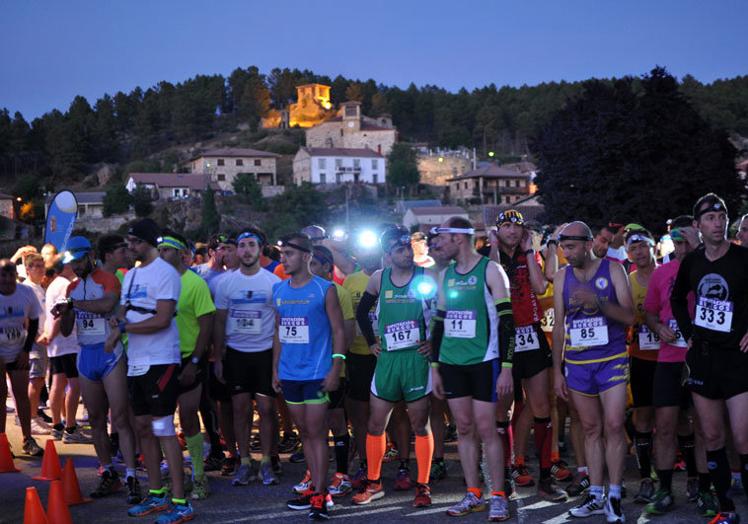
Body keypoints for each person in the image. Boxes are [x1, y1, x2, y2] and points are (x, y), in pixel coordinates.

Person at [429, 217, 515, 522]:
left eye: (443, 238)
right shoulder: (445, 275)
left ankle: (499, 495)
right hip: (452, 363)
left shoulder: (491, 270)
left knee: (486, 428)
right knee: (463, 429)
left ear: (459, 238)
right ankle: (473, 492)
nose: (438, 243)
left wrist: (506, 367)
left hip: (484, 361)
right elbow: (438, 324)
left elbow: (507, 321)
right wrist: (435, 367)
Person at [671, 193, 748, 524]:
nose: (719, 223)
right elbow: (677, 300)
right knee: (713, 437)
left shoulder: (744, 258)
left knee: (743, 438)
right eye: (711, 218)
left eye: (722, 217)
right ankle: (726, 509)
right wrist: (688, 334)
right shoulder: (693, 262)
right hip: (704, 358)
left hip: (738, 359)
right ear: (698, 225)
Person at [110, 219, 193, 523]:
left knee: (163, 429)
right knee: (143, 426)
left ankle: (181, 501)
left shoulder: (166, 274)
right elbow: (123, 309)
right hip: (136, 361)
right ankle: (156, 495)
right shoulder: (131, 274)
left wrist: (123, 327)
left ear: (149, 243)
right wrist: (115, 327)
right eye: (127, 242)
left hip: (161, 361)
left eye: (135, 242)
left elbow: (162, 319)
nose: (129, 247)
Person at [552, 221, 635, 523]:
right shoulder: (562, 277)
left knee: (613, 425)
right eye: (562, 248)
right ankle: (596, 494)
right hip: (577, 364)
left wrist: (598, 302)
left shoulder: (613, 270)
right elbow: (559, 326)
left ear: (587, 244)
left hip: (611, 358)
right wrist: (557, 371)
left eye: (571, 247)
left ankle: (614, 495)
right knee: (590, 429)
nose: (566, 253)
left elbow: (629, 317)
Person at [352, 226, 435, 508]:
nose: (406, 254)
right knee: (376, 424)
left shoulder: (425, 276)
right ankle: (374, 483)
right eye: (399, 250)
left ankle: (423, 485)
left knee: (420, 425)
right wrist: (371, 342)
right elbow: (361, 311)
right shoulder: (379, 278)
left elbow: (445, 310)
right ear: (387, 254)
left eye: (408, 248)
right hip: (387, 360)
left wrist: (433, 341)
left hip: (416, 360)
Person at [55, 235, 140, 503]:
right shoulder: (71, 288)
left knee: (121, 417)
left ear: (90, 256)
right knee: (95, 419)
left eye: (80, 261)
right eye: (73, 263)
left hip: (110, 354)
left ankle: (132, 476)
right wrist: (66, 312)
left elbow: (105, 305)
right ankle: (107, 472)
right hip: (86, 355)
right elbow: (68, 330)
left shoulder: (108, 279)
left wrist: (73, 305)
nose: (77, 267)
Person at [490, 210, 567, 502]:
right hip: (501, 337)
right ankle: (506, 474)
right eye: (505, 226)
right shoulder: (490, 257)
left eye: (516, 226)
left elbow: (539, 286)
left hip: (531, 335)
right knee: (504, 410)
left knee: (541, 406)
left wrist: (531, 250)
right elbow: (492, 285)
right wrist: (496, 248)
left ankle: (545, 480)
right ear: (497, 230)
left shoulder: (528, 255)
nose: (511, 231)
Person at [642, 216, 716, 516]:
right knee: (665, 427)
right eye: (678, 239)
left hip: (701, 359)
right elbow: (648, 313)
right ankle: (664, 488)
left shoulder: (708, 268)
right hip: (668, 360)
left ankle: (704, 487)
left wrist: (699, 247)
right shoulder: (662, 273)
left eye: (687, 239)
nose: (682, 245)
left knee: (703, 427)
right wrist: (658, 327)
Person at [272, 233, 346, 520]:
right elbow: (279, 332)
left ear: (306, 256)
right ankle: (317, 487)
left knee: (316, 434)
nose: (283, 259)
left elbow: (339, 331)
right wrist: (275, 368)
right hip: (290, 374)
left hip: (317, 373)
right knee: (305, 433)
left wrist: (336, 367)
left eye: (289, 254)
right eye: (281, 253)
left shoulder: (324, 289)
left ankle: (320, 493)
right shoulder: (278, 290)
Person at [212, 227, 281, 488]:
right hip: (236, 354)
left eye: (252, 245)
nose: (247, 250)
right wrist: (218, 357)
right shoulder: (225, 283)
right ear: (237, 250)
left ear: (260, 249)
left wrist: (276, 362)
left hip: (263, 353)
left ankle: (266, 462)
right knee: (239, 410)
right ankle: (243, 461)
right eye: (242, 246)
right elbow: (219, 323)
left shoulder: (273, 282)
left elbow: (277, 326)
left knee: (266, 409)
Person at [158, 230, 216, 500]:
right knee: (165, 421)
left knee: (190, 415)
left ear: (180, 254)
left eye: (167, 250)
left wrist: (195, 360)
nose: (161, 255)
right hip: (162, 358)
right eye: (159, 251)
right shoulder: (157, 282)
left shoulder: (195, 283)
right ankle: (177, 473)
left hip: (189, 356)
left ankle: (199, 474)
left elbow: (206, 326)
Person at [306, 244, 355, 498]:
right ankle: (314, 473)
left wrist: (335, 365)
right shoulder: (304, 291)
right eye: (309, 264)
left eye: (315, 264)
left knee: (336, 421)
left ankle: (342, 474)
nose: (310, 269)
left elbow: (346, 334)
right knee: (313, 425)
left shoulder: (339, 292)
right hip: (308, 370)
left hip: (333, 369)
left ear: (327, 267)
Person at [623, 228, 660, 504]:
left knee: (679, 418)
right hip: (641, 357)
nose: (639, 252)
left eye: (643, 247)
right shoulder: (628, 281)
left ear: (652, 247)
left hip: (672, 358)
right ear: (628, 254)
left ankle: (695, 479)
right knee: (642, 417)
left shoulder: (669, 274)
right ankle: (646, 478)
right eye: (633, 249)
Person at [342, 239, 382, 488]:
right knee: (358, 414)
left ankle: (395, 460)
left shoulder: (388, 276)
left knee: (387, 414)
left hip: (386, 354)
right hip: (357, 354)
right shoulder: (350, 280)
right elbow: (348, 317)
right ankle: (366, 463)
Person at [0, 259, 44, 456]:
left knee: (21, 396)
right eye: (3, 275)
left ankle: (28, 439)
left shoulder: (26, 293)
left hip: (18, 349)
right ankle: (1, 441)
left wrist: (26, 350)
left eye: (10, 275)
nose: (8, 279)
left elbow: (34, 321)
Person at [45, 259, 88, 443]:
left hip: (58, 345)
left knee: (58, 383)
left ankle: (57, 426)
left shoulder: (52, 285)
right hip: (69, 342)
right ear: (66, 266)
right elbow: (60, 314)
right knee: (74, 385)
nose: (77, 267)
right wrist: (51, 335)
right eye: (74, 263)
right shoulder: (66, 285)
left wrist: (50, 337)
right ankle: (70, 428)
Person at [20, 253, 52, 435]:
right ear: (28, 270)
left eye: (42, 265)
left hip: (43, 339)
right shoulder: (26, 289)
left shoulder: (40, 288)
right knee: (34, 380)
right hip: (33, 341)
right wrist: (34, 337)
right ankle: (30, 419)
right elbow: (23, 317)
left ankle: (35, 415)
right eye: (37, 266)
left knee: (39, 380)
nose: (41, 269)